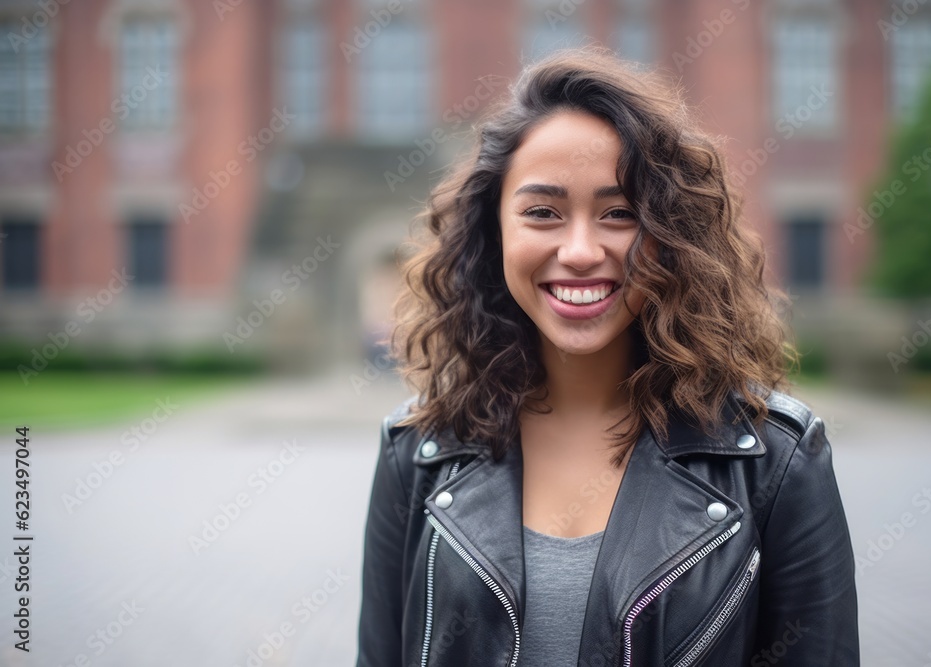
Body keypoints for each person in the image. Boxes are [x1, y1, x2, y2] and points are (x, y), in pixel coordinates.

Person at [355, 46, 859, 667]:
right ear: (495, 231)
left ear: (672, 235)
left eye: (620, 213)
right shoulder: (417, 454)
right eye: (543, 212)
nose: (581, 250)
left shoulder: (778, 464)